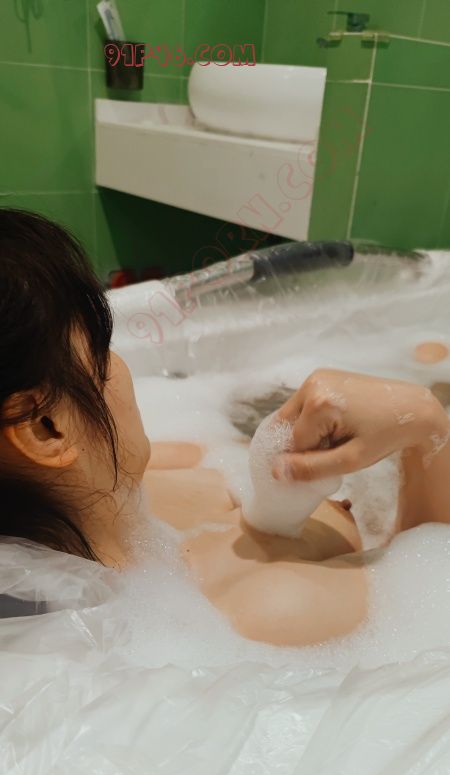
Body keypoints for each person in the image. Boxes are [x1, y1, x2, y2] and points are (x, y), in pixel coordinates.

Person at [1, 209, 449, 644]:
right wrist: (423, 421)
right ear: (46, 428)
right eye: (101, 357)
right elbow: (432, 592)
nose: (119, 366)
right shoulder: (272, 611)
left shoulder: (116, 494)